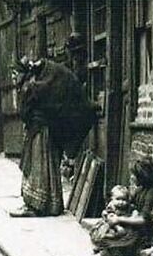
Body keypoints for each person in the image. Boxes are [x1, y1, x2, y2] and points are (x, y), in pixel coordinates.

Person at [11, 56, 97, 217]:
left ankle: (37, 205)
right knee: (45, 165)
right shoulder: (36, 83)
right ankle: (50, 204)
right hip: (41, 130)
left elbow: (25, 111)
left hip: (40, 132)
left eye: (16, 73)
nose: (14, 77)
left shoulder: (31, 87)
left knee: (39, 166)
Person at [58, 156, 153, 256]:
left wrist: (119, 220)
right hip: (134, 228)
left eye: (134, 175)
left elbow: (144, 220)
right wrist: (111, 213)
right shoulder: (140, 190)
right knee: (105, 231)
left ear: (143, 176)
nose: (132, 178)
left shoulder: (152, 193)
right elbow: (129, 206)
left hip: (144, 235)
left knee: (118, 246)